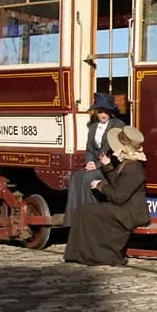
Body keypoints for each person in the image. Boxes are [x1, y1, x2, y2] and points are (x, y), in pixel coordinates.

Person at [64, 126, 151, 266]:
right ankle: (80, 253)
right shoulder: (127, 163)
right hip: (123, 208)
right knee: (83, 210)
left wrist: (100, 186)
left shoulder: (134, 168)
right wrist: (108, 166)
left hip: (130, 213)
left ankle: (99, 255)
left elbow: (118, 196)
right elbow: (118, 184)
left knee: (87, 211)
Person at [63, 93, 125, 226]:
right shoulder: (93, 127)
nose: (103, 115)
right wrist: (89, 162)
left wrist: (96, 165)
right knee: (76, 176)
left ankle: (89, 219)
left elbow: (113, 151)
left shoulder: (118, 125)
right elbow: (89, 149)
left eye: (106, 112)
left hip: (110, 166)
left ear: (110, 112)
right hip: (95, 164)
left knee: (87, 178)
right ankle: (73, 218)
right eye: (100, 111)